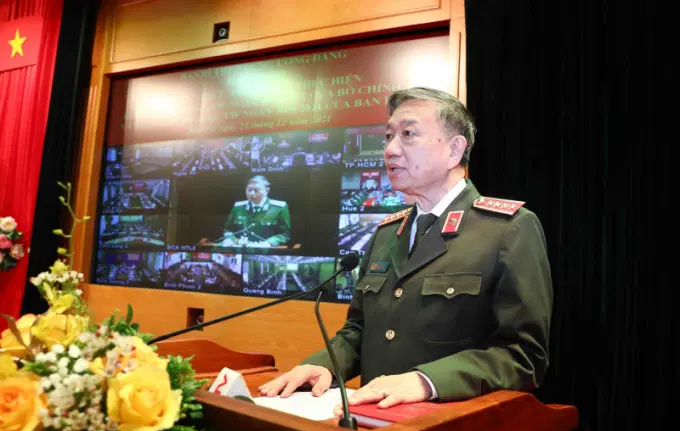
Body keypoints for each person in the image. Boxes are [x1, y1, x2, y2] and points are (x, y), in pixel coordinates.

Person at [259, 87, 553, 411]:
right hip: (372, 425)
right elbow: (359, 331)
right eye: (388, 137)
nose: (390, 150)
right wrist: (325, 365)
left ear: (454, 150)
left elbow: (523, 356)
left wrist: (426, 381)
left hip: (451, 429)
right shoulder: (387, 233)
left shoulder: (507, 229)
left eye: (408, 134)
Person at [221, 175, 291, 248]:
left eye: (256, 190)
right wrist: (230, 240)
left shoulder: (278, 208)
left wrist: (268, 243)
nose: (252, 193)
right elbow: (228, 230)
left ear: (267, 191)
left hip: (265, 251)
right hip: (240, 249)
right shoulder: (238, 207)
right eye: (249, 190)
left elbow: (285, 234)